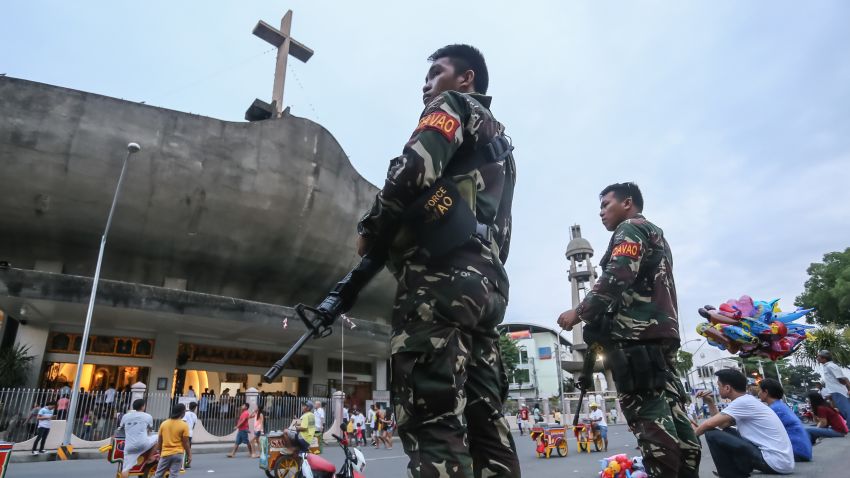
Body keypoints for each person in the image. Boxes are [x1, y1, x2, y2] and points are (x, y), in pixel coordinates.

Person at [355, 44, 518, 478]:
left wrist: (371, 230)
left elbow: (412, 171)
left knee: (433, 420)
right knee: (488, 424)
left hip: (440, 281)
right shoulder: (502, 144)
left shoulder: (452, 106)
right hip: (488, 284)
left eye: (436, 73)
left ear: (466, 79)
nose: (426, 84)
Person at [558, 182, 700, 477]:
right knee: (674, 414)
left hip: (636, 339)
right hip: (660, 337)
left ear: (628, 202)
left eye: (605, 205)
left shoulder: (631, 229)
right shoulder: (655, 233)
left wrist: (579, 313)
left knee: (649, 418)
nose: (601, 213)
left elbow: (619, 273)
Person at [693, 369, 794, 477]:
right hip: (782, 462)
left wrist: (690, 439)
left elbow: (708, 424)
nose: (717, 389)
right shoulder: (747, 401)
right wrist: (710, 402)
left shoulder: (742, 402)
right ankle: (741, 468)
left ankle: (730, 474)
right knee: (728, 431)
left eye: (719, 385)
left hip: (775, 462)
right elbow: (722, 425)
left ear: (727, 388)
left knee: (711, 433)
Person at [757, 378, 812, 462]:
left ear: (766, 392)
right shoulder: (780, 405)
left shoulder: (774, 409)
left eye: (760, 390)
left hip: (795, 452)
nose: (758, 393)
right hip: (802, 451)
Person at [120, 399, 158, 478]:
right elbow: (150, 430)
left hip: (129, 447)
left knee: (125, 469)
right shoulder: (147, 416)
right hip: (143, 444)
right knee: (158, 437)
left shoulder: (125, 416)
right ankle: (150, 457)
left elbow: (121, 429)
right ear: (143, 406)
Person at [154, 404, 191, 478]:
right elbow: (186, 443)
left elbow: (160, 441)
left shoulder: (164, 424)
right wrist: (189, 455)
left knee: (158, 475)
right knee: (173, 475)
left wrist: (159, 452)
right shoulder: (184, 425)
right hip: (178, 453)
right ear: (182, 413)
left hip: (165, 453)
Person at [817, 350, 850, 420]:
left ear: (824, 358)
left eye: (818, 356)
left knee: (845, 410)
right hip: (835, 391)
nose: (817, 358)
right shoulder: (826, 366)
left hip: (838, 391)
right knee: (842, 410)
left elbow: (842, 379)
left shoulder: (831, 366)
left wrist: (848, 388)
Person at [182, 401, 198, 467]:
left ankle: (182, 463)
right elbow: (194, 425)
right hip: (190, 433)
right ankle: (187, 463)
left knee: (183, 448)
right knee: (188, 449)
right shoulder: (194, 415)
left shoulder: (185, 414)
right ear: (194, 408)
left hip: (184, 433)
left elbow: (183, 422)